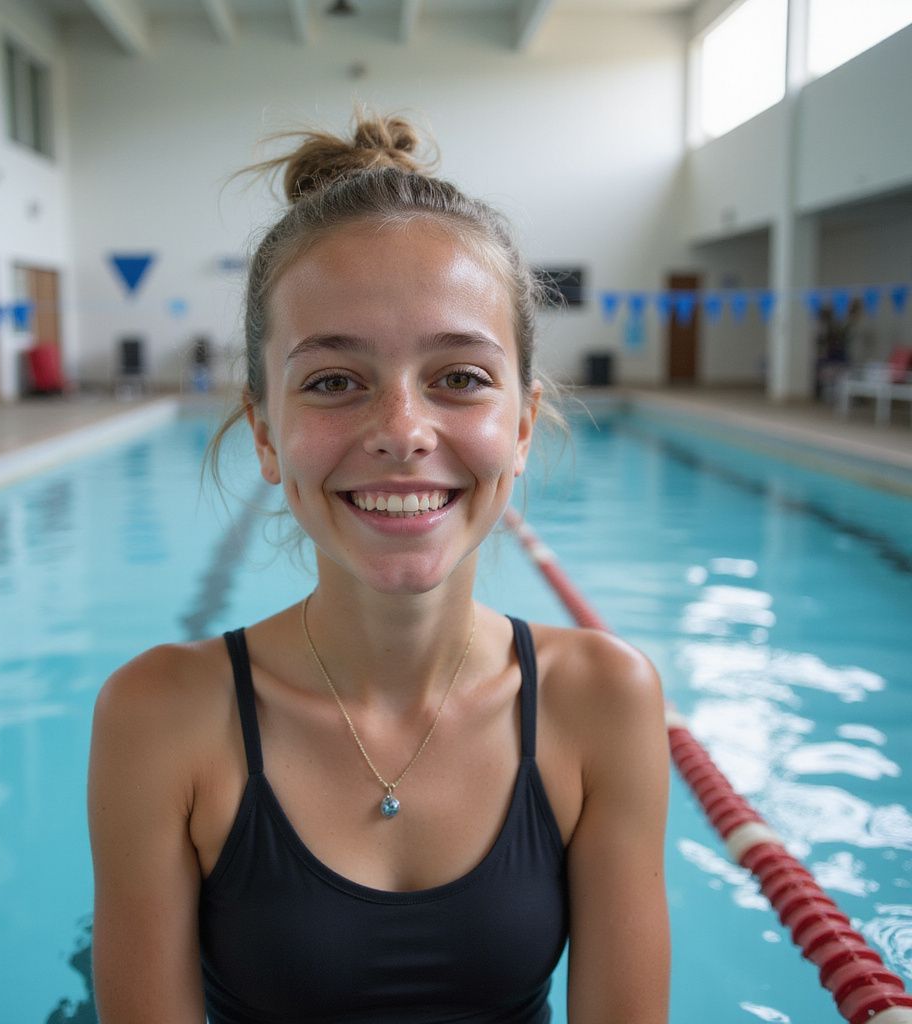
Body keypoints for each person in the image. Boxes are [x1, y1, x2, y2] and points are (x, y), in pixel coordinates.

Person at [87, 113, 670, 1024]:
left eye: (461, 377)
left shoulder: (603, 699)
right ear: (265, 434)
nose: (402, 428)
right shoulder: (162, 717)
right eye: (332, 380)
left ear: (521, 426)